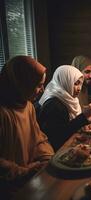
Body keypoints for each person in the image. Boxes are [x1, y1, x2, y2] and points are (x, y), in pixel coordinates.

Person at [0, 56, 54, 199]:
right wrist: (23, 172)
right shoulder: (3, 112)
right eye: (37, 85)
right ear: (20, 84)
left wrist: (48, 159)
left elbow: (38, 138)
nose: (42, 90)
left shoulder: (27, 105)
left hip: (30, 179)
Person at [38, 65, 91, 151]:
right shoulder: (53, 104)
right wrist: (84, 116)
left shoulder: (68, 98)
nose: (79, 88)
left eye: (80, 84)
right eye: (75, 83)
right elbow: (58, 137)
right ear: (65, 81)